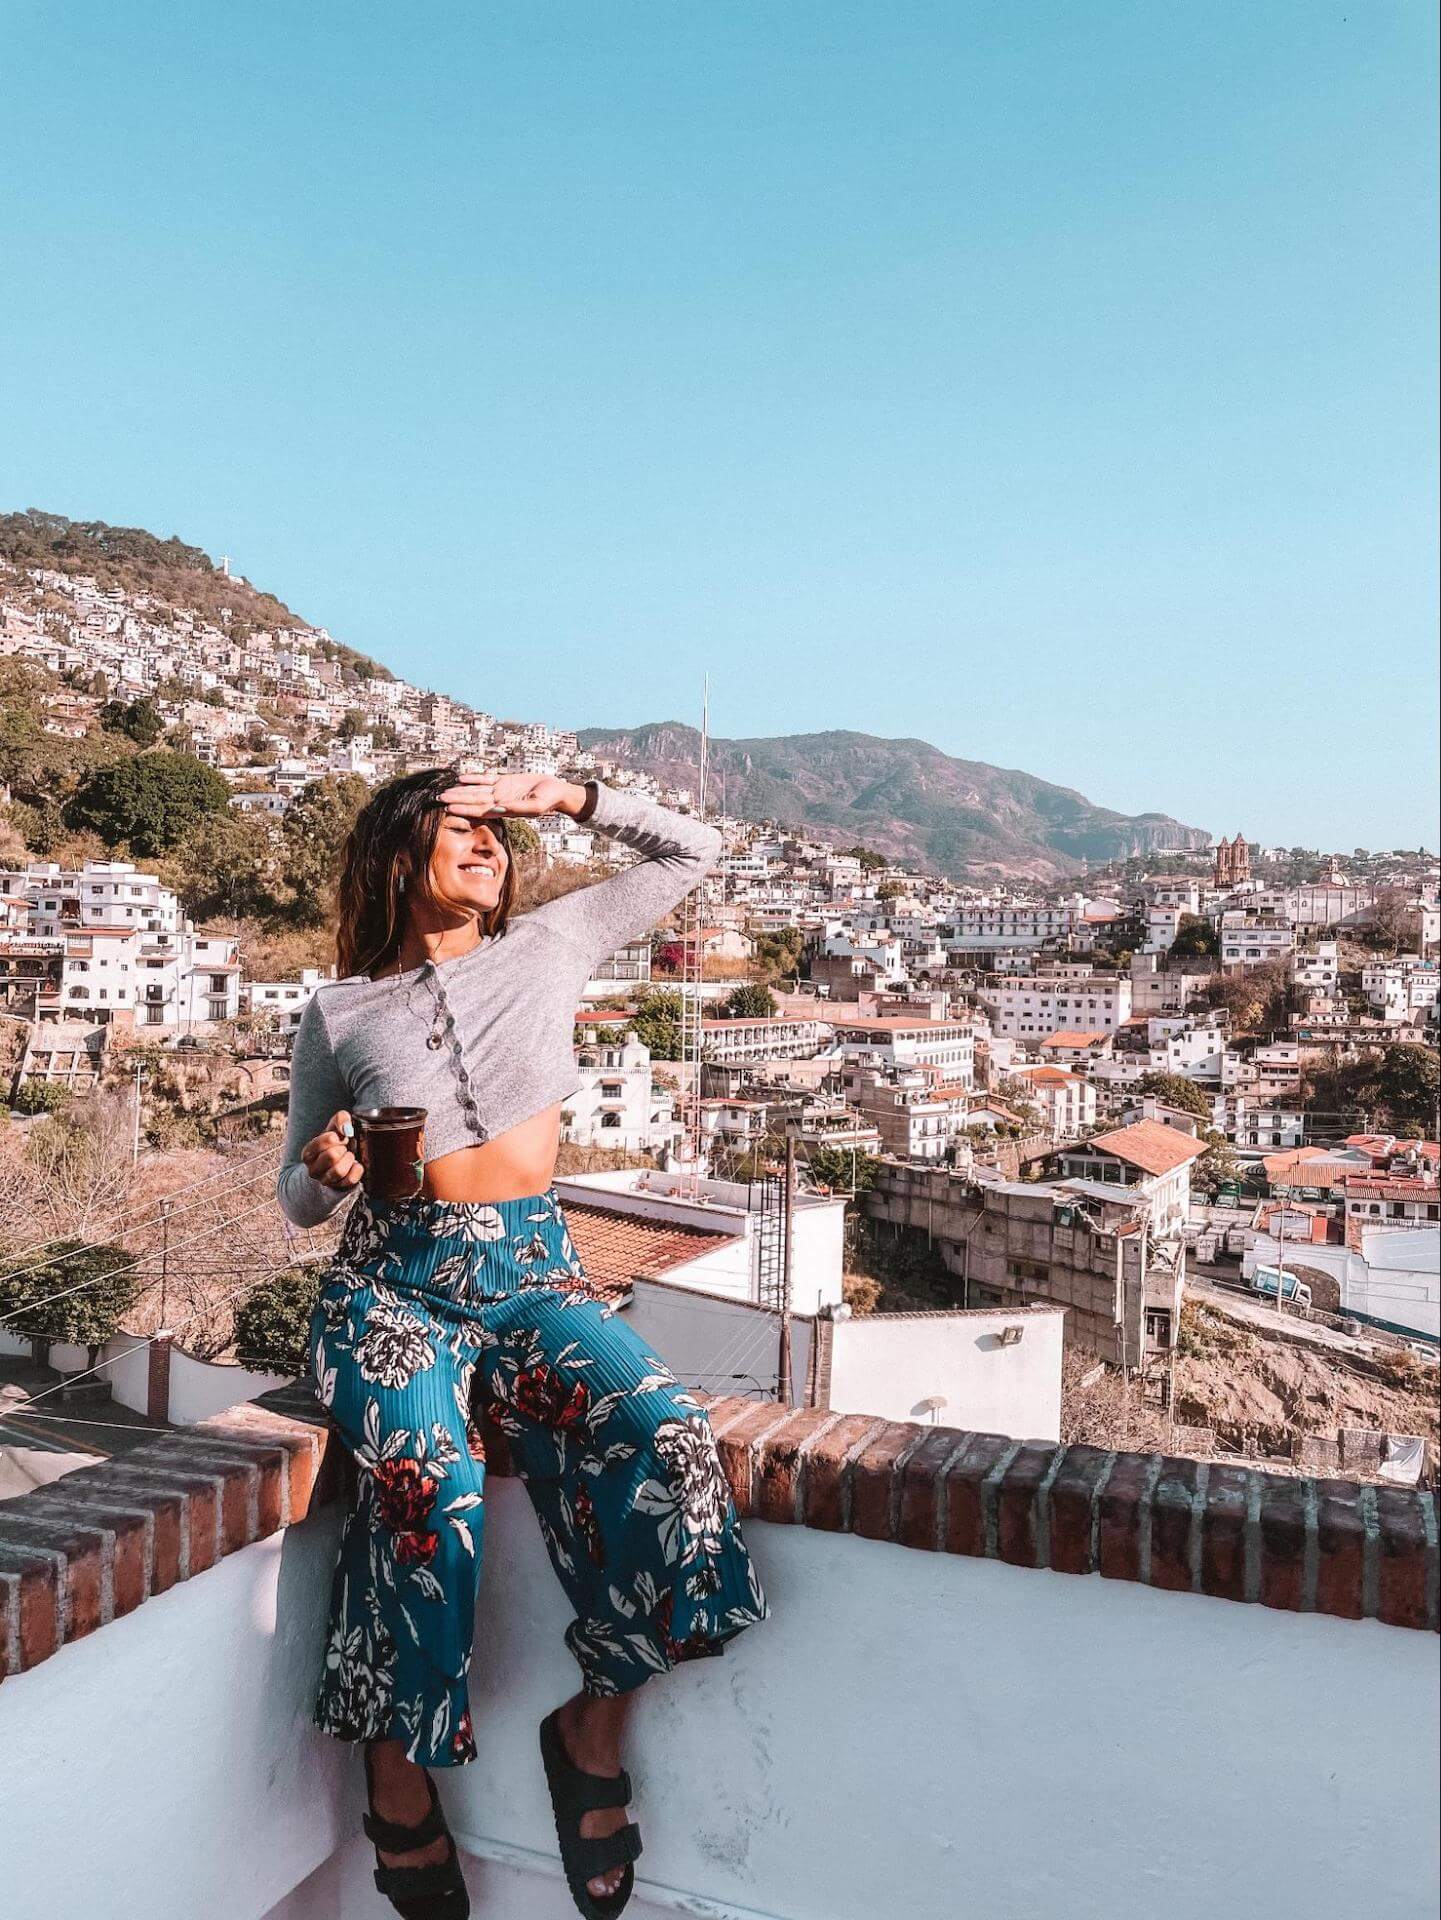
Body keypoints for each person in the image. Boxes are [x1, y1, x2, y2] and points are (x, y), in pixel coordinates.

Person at [277, 767, 767, 1920]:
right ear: (401, 854)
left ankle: (590, 1724)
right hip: (390, 1285)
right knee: (423, 1476)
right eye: (462, 827)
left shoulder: (550, 946)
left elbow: (692, 853)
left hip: (533, 1272)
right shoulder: (339, 1013)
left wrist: (570, 796)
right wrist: (323, 1168)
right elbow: (297, 1202)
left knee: (670, 1436)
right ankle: (394, 1774)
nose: (489, 844)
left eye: (497, 831)